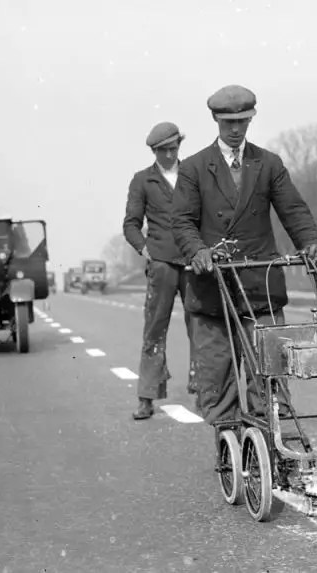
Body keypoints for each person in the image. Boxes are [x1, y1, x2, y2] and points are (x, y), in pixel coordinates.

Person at [171, 85, 317, 425]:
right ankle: (233, 456)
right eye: (228, 121)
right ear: (215, 119)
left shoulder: (268, 163)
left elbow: (294, 211)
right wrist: (197, 250)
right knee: (218, 383)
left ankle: (278, 451)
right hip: (212, 290)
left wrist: (310, 242)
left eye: (243, 121)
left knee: (271, 377)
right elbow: (182, 221)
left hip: (261, 288)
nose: (235, 129)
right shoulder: (194, 168)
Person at [123, 121, 196, 420]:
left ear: (180, 145)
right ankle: (147, 396)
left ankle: (205, 389)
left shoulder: (193, 174)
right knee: (154, 329)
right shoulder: (142, 180)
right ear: (154, 151)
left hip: (194, 262)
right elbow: (130, 224)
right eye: (163, 150)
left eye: (173, 148)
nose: (169, 154)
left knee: (202, 327)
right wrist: (145, 249)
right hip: (162, 264)